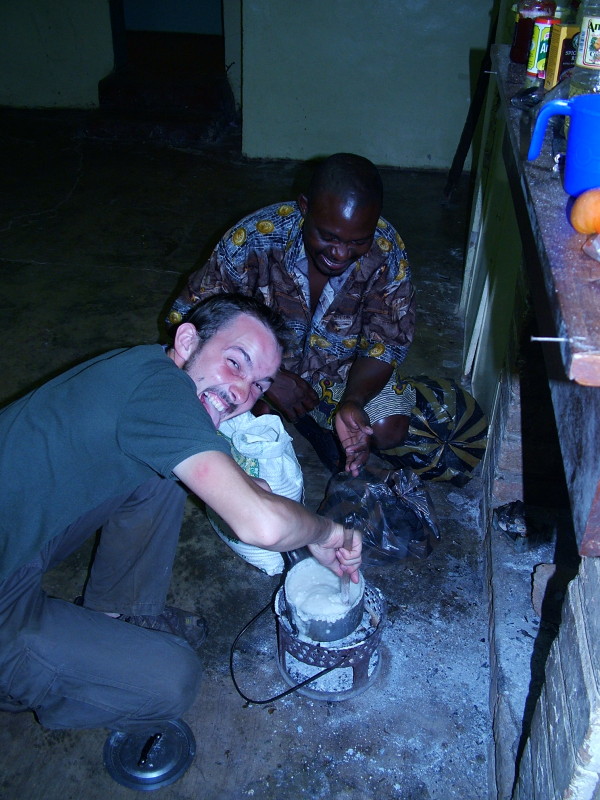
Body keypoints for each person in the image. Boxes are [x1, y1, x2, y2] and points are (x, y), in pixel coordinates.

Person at [0, 293, 361, 732]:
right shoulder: (161, 395)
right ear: (188, 341)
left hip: (19, 533)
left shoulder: (150, 369)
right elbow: (262, 523)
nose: (242, 393)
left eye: (260, 385)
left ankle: (114, 615)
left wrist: (284, 518)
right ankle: (26, 683)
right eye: (236, 363)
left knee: (166, 474)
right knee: (172, 681)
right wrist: (328, 534)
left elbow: (249, 489)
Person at [166, 153, 417, 477]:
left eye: (358, 241)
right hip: (254, 369)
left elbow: (387, 342)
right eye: (328, 236)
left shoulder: (385, 249)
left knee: (387, 428)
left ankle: (309, 417)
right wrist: (269, 381)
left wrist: (353, 400)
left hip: (341, 371)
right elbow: (188, 319)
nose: (341, 253)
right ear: (304, 207)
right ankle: (285, 412)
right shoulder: (255, 238)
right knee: (224, 423)